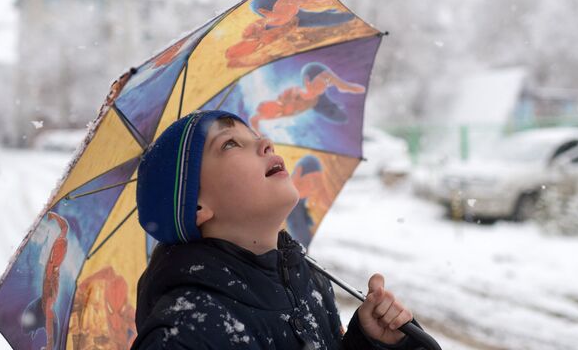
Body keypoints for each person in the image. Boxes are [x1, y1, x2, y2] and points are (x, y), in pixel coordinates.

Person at [131, 110, 423, 349]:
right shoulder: (183, 335)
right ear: (196, 207)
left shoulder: (309, 282)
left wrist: (370, 344)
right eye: (230, 143)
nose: (266, 143)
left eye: (256, 136)